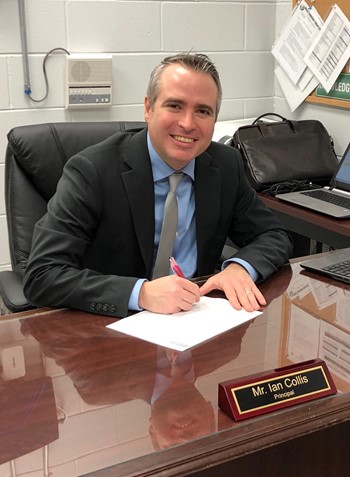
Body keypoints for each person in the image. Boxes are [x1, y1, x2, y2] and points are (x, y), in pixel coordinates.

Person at [23, 52, 293, 318]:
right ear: (148, 108)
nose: (188, 124)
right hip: (115, 326)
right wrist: (140, 293)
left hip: (197, 316)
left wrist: (240, 267)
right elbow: (43, 275)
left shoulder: (225, 165)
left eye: (202, 111)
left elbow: (273, 235)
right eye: (175, 106)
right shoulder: (92, 171)